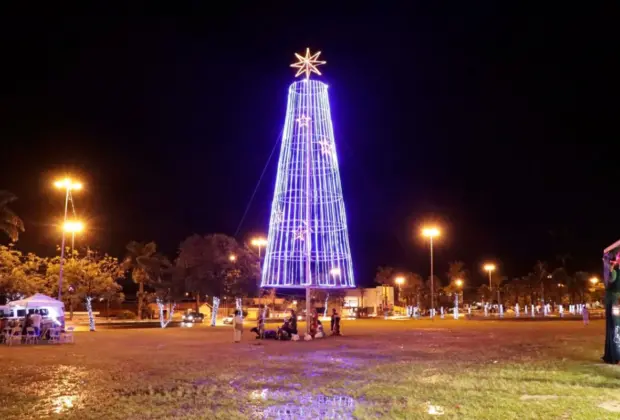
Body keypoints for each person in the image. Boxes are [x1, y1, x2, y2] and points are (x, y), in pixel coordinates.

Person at [602, 252, 620, 364]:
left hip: (615, 301)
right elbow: (610, 280)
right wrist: (609, 267)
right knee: (615, 326)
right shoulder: (615, 272)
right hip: (614, 302)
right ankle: (615, 354)